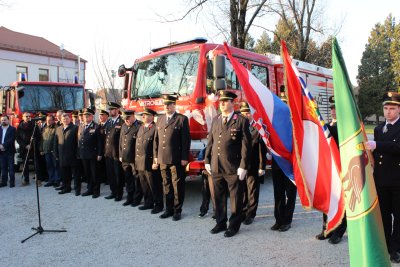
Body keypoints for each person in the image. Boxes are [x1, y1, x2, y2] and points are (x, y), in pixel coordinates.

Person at [204, 90, 251, 237]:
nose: (222, 104)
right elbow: (210, 141)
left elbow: (246, 145)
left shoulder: (241, 120)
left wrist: (243, 166)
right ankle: (220, 222)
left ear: (232, 102)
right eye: (220, 101)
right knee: (218, 197)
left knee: (236, 198)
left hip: (233, 167)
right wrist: (207, 160)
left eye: (225, 101)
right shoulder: (217, 119)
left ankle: (234, 225)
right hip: (217, 165)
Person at [365, 91, 400, 263]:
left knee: (399, 217)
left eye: (392, 108)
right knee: (384, 216)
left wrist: (377, 144)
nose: (388, 112)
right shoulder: (379, 129)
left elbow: (397, 148)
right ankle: (385, 245)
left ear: (399, 109)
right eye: (386, 108)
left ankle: (396, 249)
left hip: (397, 180)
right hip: (381, 179)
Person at [154, 94, 191, 221]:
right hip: (163, 158)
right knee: (166, 185)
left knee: (177, 186)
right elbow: (156, 140)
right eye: (165, 104)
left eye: (169, 104)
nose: (166, 106)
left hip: (176, 159)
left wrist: (184, 157)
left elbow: (186, 141)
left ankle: (177, 210)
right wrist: (155, 157)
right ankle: (168, 209)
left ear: (174, 105)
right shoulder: (159, 119)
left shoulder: (182, 119)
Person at [315, 102, 347, 244]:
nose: (334, 111)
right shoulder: (326, 125)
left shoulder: (346, 126)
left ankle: (339, 231)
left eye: (336, 108)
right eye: (332, 109)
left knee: (340, 198)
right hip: (329, 167)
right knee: (328, 198)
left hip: (342, 166)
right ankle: (327, 229)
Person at [239, 102, 267, 225]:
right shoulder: (238, 126)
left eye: (247, 112)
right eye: (243, 113)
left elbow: (262, 148)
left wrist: (262, 166)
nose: (245, 115)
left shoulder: (257, 128)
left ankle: (251, 213)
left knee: (252, 190)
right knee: (243, 190)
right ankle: (243, 211)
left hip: (253, 164)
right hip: (241, 165)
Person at [135, 108, 163, 214]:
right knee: (144, 184)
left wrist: (156, 161)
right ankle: (148, 202)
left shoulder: (155, 128)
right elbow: (137, 144)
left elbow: (157, 145)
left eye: (145, 115)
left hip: (150, 160)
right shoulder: (141, 127)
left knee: (154, 184)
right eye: (142, 115)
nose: (143, 117)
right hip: (140, 160)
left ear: (151, 116)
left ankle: (158, 204)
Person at [119, 110, 143, 206]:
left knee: (137, 180)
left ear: (133, 116)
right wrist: (120, 155)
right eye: (125, 119)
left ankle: (137, 199)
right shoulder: (124, 126)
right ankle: (130, 197)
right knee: (128, 179)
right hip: (125, 158)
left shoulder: (139, 126)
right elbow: (121, 141)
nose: (126, 121)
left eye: (128, 118)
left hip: (134, 159)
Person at [78, 108, 103, 198]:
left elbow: (100, 141)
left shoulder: (96, 126)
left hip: (93, 154)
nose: (85, 117)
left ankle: (96, 191)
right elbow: (79, 140)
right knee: (87, 173)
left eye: (88, 116)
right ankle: (90, 189)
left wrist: (100, 154)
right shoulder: (81, 126)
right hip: (84, 154)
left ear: (92, 116)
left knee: (95, 173)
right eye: (84, 116)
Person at [54, 113, 80, 195]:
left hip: (73, 155)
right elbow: (55, 142)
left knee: (76, 174)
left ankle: (77, 189)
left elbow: (78, 142)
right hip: (62, 155)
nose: (65, 120)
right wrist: (56, 153)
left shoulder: (75, 128)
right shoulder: (58, 129)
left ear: (70, 119)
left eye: (67, 118)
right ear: (61, 120)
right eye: (63, 119)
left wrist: (78, 153)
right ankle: (66, 187)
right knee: (65, 173)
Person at [104, 102, 124, 201]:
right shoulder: (108, 122)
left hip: (116, 153)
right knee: (110, 174)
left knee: (118, 174)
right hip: (108, 153)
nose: (110, 111)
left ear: (117, 110)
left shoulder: (122, 122)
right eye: (110, 109)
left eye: (112, 109)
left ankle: (119, 193)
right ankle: (113, 191)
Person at [16, 112, 40, 186]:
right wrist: (25, 145)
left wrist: (32, 144)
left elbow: (38, 136)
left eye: (29, 116)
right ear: (23, 117)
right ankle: (26, 180)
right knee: (25, 165)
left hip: (33, 148)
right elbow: (18, 138)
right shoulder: (19, 126)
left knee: (36, 165)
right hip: (24, 148)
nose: (28, 117)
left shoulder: (34, 126)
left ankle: (38, 179)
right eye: (26, 116)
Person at [41, 115, 60, 187]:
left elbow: (57, 140)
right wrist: (41, 149)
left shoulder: (56, 128)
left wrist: (55, 150)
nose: (48, 122)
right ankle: (51, 179)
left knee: (56, 166)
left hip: (53, 151)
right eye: (47, 120)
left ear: (53, 120)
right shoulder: (45, 128)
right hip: (46, 151)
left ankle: (57, 180)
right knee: (49, 166)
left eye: (50, 120)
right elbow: (42, 140)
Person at [0, 116, 16, 188]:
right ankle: (4, 182)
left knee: (11, 167)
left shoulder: (13, 129)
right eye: (2, 120)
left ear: (8, 120)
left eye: (5, 120)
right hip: (1, 151)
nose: (3, 121)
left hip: (9, 151)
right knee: (3, 167)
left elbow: (12, 139)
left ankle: (12, 182)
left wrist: (3, 145)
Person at [97, 109, 110, 185]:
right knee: (101, 164)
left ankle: (108, 179)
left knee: (107, 165)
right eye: (100, 115)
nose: (100, 117)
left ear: (107, 116)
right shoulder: (98, 126)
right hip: (100, 148)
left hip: (107, 148)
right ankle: (103, 178)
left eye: (102, 115)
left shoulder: (109, 124)